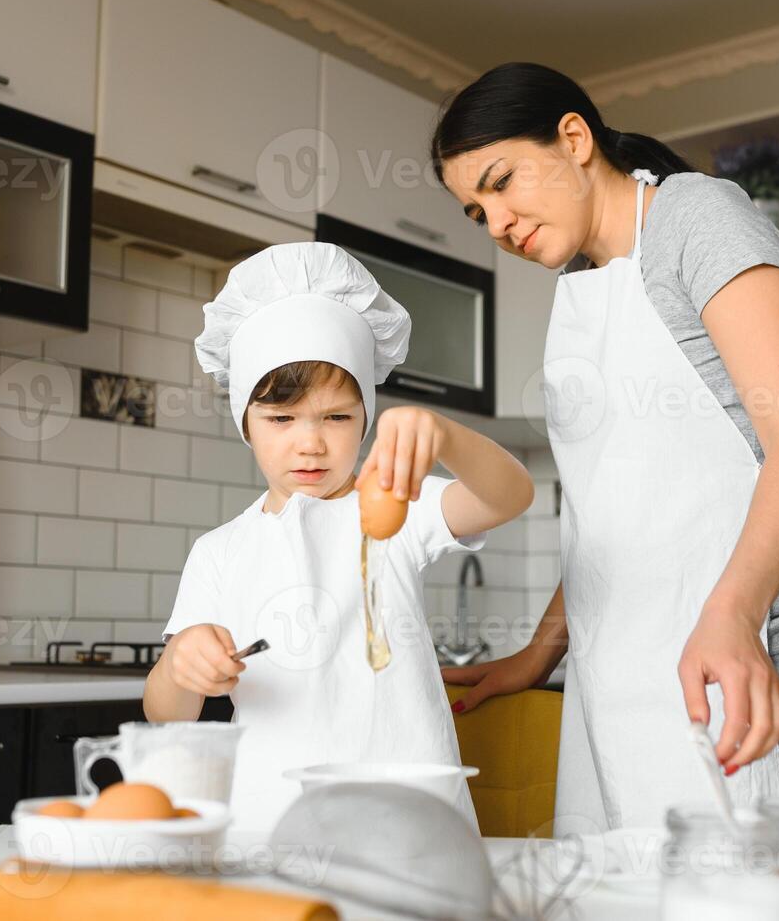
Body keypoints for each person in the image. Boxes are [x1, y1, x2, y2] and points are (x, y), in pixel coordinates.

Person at [432, 63, 779, 833]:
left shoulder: (700, 218)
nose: (497, 223)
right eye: (474, 212)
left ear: (574, 139)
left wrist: (730, 614)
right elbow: (611, 514)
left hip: (738, 654)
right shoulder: (585, 291)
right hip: (614, 672)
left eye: (502, 182)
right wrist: (538, 655)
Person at [142, 242, 535, 834]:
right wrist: (180, 666)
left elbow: (508, 497)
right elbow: (167, 716)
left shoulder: (394, 504)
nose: (311, 443)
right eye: (281, 419)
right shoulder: (220, 551)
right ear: (244, 423)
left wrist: (444, 435)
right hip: (266, 820)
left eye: (336, 417)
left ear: (367, 418)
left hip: (407, 817)